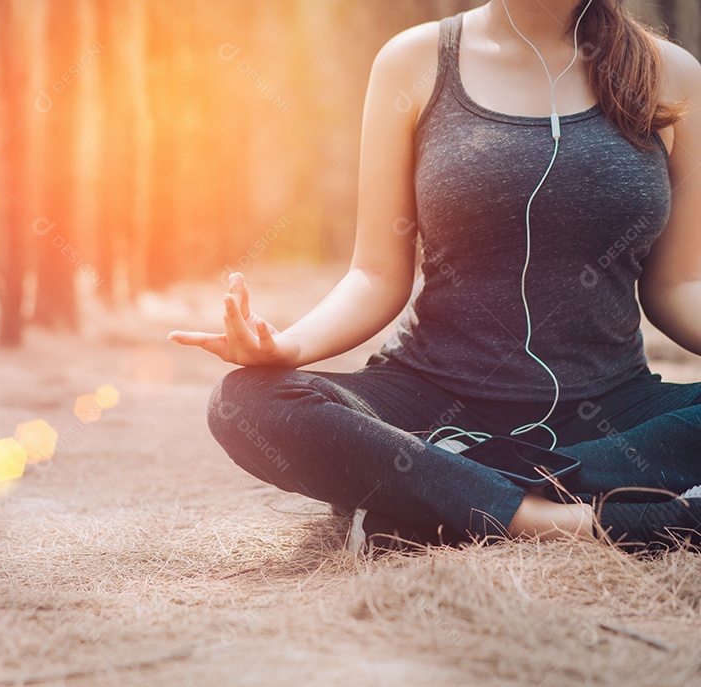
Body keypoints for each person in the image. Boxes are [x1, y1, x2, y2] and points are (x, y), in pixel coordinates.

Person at [168, 0, 701, 554]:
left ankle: (444, 488)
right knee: (243, 403)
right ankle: (572, 521)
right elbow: (375, 274)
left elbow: (677, 286)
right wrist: (287, 346)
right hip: (430, 399)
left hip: (609, 414)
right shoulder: (415, 61)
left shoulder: (673, 74)